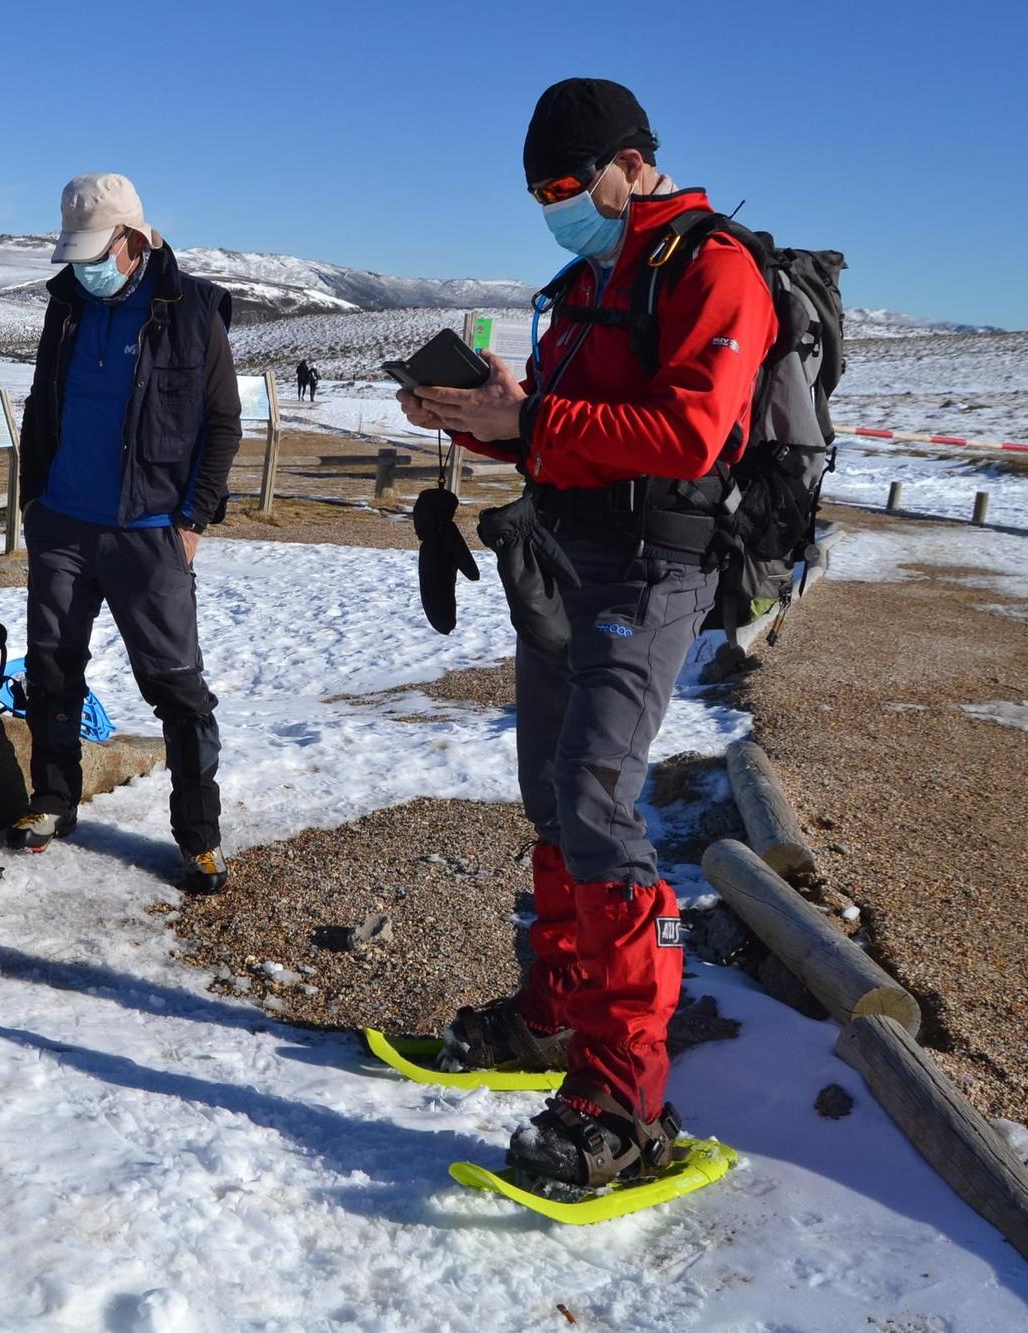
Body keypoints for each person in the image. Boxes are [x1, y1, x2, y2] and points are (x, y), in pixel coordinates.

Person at [397, 78, 778, 1192]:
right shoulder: (587, 281)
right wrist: (485, 418)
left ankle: (624, 1093)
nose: (554, 206)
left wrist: (536, 420)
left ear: (627, 162)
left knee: (600, 799)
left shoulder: (711, 268)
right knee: (553, 795)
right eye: (537, 192)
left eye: (565, 185)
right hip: (563, 558)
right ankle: (553, 1016)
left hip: (654, 566)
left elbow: (693, 429)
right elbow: (558, 438)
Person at [9, 173, 242, 895]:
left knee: (178, 690)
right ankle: (53, 799)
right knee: (52, 671)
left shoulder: (194, 309)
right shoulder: (68, 306)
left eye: (95, 252)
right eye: (74, 255)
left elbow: (222, 425)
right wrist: (35, 502)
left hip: (150, 533)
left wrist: (193, 520)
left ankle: (198, 836)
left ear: (134, 241)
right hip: (65, 525)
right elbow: (43, 406)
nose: (83, 268)